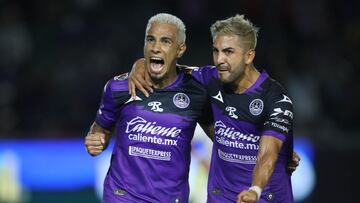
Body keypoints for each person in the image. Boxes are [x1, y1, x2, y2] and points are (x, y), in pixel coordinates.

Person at [129, 14, 298, 203]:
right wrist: (141, 64)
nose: (219, 59)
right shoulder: (210, 78)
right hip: (222, 196)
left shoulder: (276, 99)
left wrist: (255, 190)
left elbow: (268, 154)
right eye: (216, 51)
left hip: (265, 197)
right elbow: (170, 69)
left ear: (249, 55)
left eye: (228, 52)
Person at [84, 13, 213, 203]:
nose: (155, 48)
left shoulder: (196, 93)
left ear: (180, 49)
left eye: (165, 41)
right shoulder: (119, 87)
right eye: (150, 40)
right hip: (122, 196)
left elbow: (220, 137)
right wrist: (97, 139)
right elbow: (100, 128)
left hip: (170, 198)